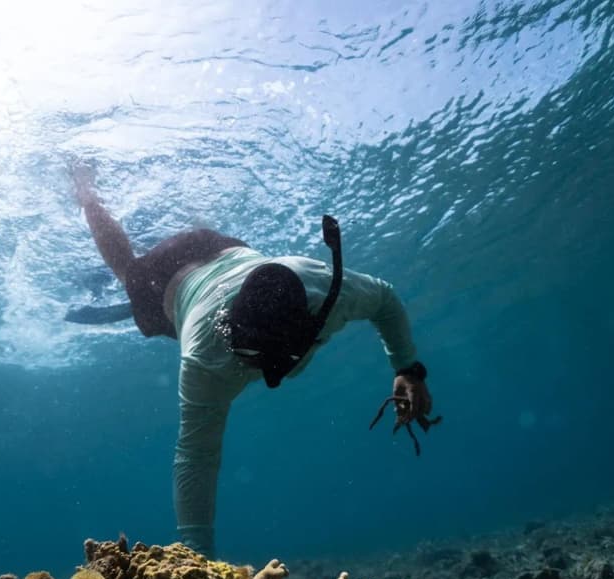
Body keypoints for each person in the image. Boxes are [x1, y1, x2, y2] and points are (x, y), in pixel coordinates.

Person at [70, 166, 437, 557]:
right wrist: (197, 555)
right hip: (169, 281)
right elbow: (196, 457)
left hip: (216, 248)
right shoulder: (206, 355)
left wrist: (408, 371)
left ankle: (91, 194)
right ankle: (88, 196)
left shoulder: (321, 290)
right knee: (128, 269)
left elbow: (384, 298)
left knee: (147, 258)